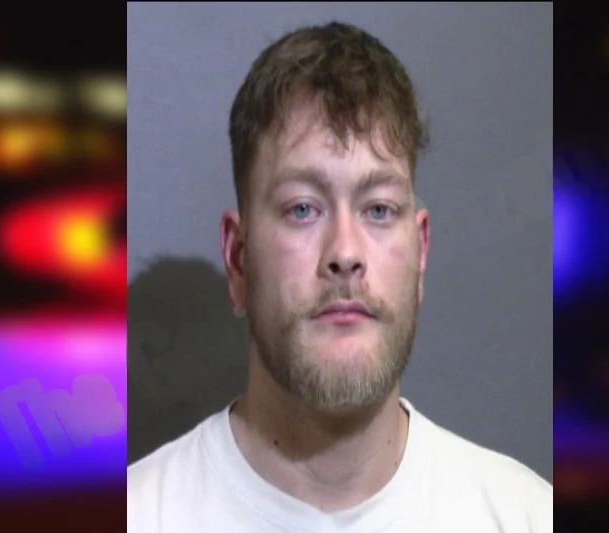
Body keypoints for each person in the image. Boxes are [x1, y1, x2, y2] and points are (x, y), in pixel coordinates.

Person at [128, 21, 552, 532]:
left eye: (378, 209)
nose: (346, 253)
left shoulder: (526, 516)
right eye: (302, 208)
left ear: (420, 253)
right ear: (238, 259)